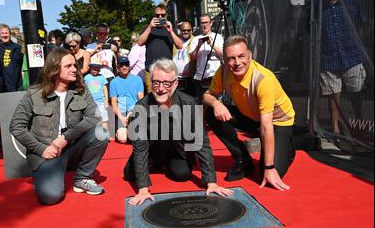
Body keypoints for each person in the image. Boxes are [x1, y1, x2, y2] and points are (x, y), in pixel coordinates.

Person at [124, 58, 233, 205]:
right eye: (156, 82)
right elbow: (140, 147)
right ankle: (155, 164)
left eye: (166, 83)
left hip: (177, 150)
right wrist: (143, 189)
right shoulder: (141, 107)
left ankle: (166, 163)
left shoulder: (188, 103)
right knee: (129, 174)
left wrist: (211, 182)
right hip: (151, 151)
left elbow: (201, 142)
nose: (161, 88)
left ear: (175, 83)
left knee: (182, 175)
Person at [10, 49, 109, 206]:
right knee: (51, 197)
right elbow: (16, 127)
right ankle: (46, 177)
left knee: (101, 133)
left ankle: (82, 177)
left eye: (75, 65)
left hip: (71, 146)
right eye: (68, 66)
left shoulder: (81, 91)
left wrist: (66, 138)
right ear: (55, 68)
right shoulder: (34, 94)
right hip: (46, 155)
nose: (74, 69)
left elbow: (95, 117)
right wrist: (40, 148)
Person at [203, 35, 296, 191]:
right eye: (231, 59)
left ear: (250, 56)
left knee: (266, 175)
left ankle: (287, 146)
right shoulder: (224, 71)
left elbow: (266, 127)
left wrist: (269, 167)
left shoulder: (263, 79)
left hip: (276, 122)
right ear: (225, 60)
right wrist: (216, 103)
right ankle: (242, 159)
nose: (237, 63)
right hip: (251, 116)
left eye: (241, 56)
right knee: (211, 113)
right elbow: (207, 95)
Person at [320, 0, 367, 137]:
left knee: (356, 92)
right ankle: (335, 129)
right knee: (333, 95)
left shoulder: (351, 0)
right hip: (329, 57)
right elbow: (310, 30)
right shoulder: (318, 8)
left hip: (351, 54)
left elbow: (361, 22)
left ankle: (359, 124)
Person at [137, 4, 183, 94]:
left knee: (168, 96)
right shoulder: (149, 28)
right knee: (152, 98)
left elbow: (180, 45)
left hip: (167, 70)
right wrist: (150, 27)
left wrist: (171, 31)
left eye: (163, 15)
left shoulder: (170, 29)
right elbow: (140, 42)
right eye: (157, 15)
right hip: (151, 70)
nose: (160, 17)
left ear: (167, 16)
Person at [189, 14, 224, 103]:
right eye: (202, 23)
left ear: (211, 23)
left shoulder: (218, 37)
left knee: (216, 102)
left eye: (206, 22)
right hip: (200, 76)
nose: (205, 25)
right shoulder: (196, 39)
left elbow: (222, 54)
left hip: (214, 75)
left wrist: (212, 45)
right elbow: (192, 57)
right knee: (201, 103)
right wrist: (198, 46)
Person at [109, 56, 144, 144]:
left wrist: (133, 112)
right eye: (121, 65)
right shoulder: (114, 82)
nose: (124, 67)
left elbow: (141, 99)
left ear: (129, 66)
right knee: (123, 139)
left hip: (134, 111)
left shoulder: (138, 79)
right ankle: (119, 131)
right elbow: (113, 103)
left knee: (138, 137)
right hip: (121, 112)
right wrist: (121, 117)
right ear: (118, 68)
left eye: (126, 65)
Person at [0, 24, 24, 92]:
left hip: (15, 86)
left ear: (10, 34)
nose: (4, 35)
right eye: (2, 33)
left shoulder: (17, 48)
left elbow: (21, 64)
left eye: (6, 33)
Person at [84, 62, 109, 130]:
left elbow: (105, 88)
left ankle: (105, 134)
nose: (95, 71)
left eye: (97, 69)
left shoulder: (101, 77)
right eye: (93, 69)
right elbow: (85, 88)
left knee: (104, 120)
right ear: (90, 69)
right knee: (93, 118)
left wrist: (106, 101)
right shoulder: (87, 77)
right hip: (91, 101)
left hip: (101, 101)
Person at [173, 21, 195, 92]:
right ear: (180, 30)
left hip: (190, 78)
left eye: (188, 30)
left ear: (191, 30)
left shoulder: (195, 40)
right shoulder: (175, 40)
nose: (186, 32)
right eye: (184, 30)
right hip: (176, 78)